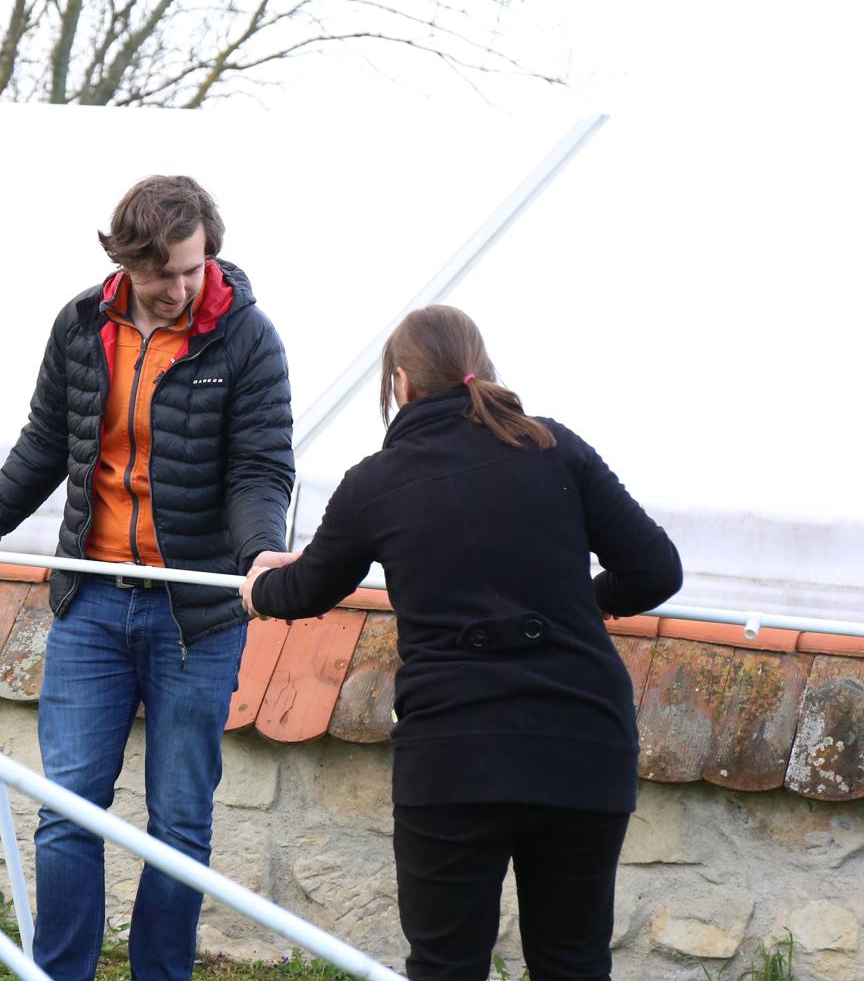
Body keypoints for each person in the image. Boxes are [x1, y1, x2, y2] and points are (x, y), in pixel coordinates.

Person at [0, 174, 293, 981]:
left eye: (193, 269)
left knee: (180, 822)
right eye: (163, 274)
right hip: (90, 603)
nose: (180, 289)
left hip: (197, 617)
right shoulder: (81, 324)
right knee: (67, 812)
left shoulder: (248, 337)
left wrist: (262, 552)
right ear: (125, 261)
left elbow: (261, 470)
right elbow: (46, 444)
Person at [241, 305, 681, 981]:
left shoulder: (375, 484)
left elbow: (305, 590)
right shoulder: (554, 448)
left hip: (454, 756)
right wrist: (574, 606)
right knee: (574, 962)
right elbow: (656, 571)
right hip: (582, 743)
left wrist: (258, 587)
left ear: (401, 383)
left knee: (446, 966)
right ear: (480, 368)